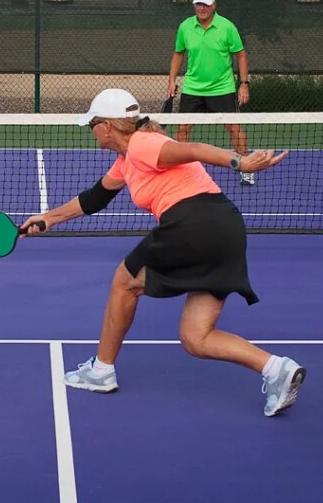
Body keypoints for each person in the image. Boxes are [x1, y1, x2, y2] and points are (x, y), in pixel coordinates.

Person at [21, 89, 306, 417]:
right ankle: (277, 369)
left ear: (107, 127)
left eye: (93, 124)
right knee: (195, 337)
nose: (92, 130)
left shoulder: (144, 143)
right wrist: (48, 218)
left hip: (193, 223)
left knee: (124, 281)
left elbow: (194, 149)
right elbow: (95, 198)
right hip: (224, 230)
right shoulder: (127, 160)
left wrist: (240, 162)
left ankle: (101, 371)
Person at [168, 0, 255, 186]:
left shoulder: (227, 27)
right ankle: (181, 170)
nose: (202, 8)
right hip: (192, 88)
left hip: (222, 88)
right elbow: (178, 53)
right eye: (198, 4)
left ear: (213, 6)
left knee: (234, 128)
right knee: (183, 128)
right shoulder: (185, 27)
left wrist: (244, 84)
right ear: (194, 6)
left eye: (206, 4)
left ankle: (246, 168)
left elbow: (240, 55)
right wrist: (171, 80)